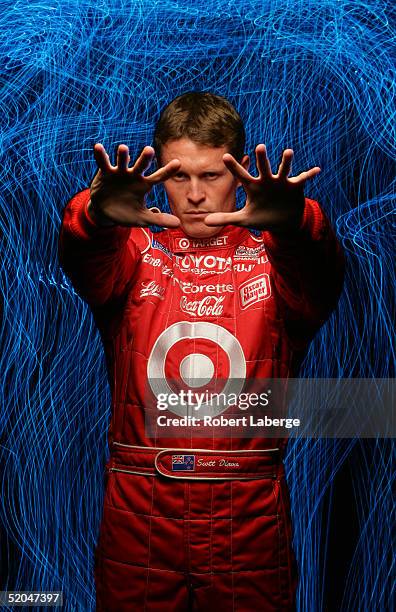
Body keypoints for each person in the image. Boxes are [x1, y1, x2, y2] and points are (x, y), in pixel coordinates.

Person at [59, 92, 344, 611]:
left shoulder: (274, 262)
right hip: (140, 508)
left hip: (247, 512)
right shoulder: (132, 254)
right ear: (157, 174)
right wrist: (96, 214)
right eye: (177, 175)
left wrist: (298, 222)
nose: (193, 195)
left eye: (211, 176)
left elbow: (320, 274)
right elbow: (83, 254)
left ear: (237, 174)